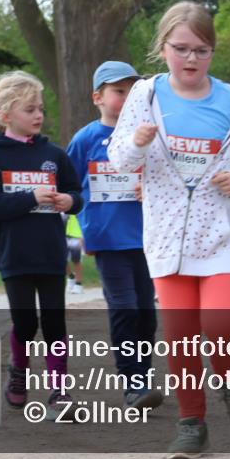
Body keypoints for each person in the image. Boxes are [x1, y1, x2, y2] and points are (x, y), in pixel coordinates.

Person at [108, 1, 230, 458]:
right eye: (181, 48)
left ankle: (227, 379)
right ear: (162, 48)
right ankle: (191, 424)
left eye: (201, 50)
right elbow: (118, 159)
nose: (190, 59)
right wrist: (137, 144)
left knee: (221, 323)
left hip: (222, 233)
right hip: (166, 237)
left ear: (212, 52)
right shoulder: (144, 97)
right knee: (181, 337)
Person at [0, 70, 83, 418]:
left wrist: (69, 200)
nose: (38, 115)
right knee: (25, 322)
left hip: (50, 252)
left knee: (54, 322)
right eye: (29, 110)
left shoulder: (54, 154)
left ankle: (59, 392)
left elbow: (77, 192)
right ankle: (18, 373)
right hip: (13, 254)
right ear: (6, 115)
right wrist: (29, 196)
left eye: (40, 109)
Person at [66, 60, 164, 412]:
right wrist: (82, 230)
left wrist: (146, 186)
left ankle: (143, 377)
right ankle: (132, 384)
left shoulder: (149, 137)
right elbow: (70, 189)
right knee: (123, 307)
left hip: (148, 238)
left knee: (145, 312)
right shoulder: (85, 139)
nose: (126, 98)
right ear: (98, 97)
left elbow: (165, 178)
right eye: (119, 91)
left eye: (132, 91)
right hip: (108, 239)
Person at [64, 214, 84, 294]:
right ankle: (71, 277)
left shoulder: (79, 206)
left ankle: (78, 284)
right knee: (62, 259)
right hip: (64, 234)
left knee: (76, 260)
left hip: (77, 235)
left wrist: (83, 235)